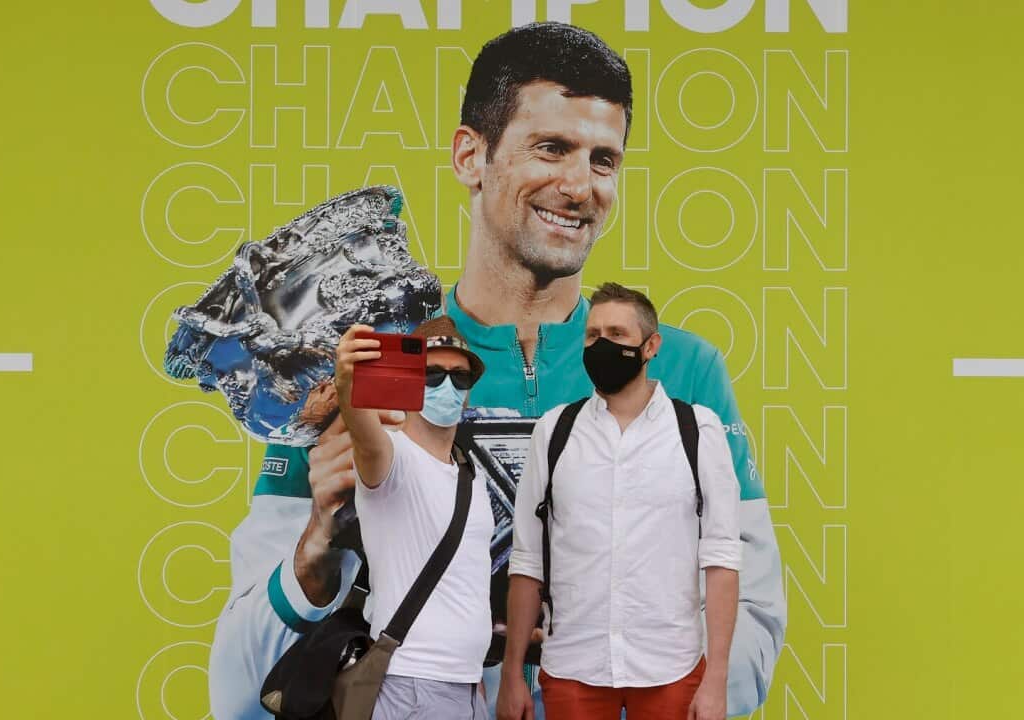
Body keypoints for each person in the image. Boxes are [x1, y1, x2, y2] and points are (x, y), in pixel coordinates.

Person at [208, 22, 786, 720]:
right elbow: (240, 692)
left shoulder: (683, 369)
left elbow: (750, 618)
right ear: (469, 156)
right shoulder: (364, 370)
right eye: (552, 148)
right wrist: (315, 551)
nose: (580, 186)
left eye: (604, 159)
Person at [498, 283, 740, 720]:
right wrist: (513, 672)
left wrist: (717, 679)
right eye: (592, 336)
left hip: (671, 665)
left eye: (617, 334)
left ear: (651, 346)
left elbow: (721, 560)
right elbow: (528, 561)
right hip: (573, 665)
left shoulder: (697, 431)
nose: (601, 345)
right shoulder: (553, 432)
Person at [332, 316, 493, 719]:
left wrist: (471, 679)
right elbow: (363, 432)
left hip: (466, 687)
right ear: (408, 382)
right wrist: (346, 382)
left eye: (460, 377)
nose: (448, 386)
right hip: (411, 686)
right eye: (432, 374)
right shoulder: (392, 457)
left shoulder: (470, 476)